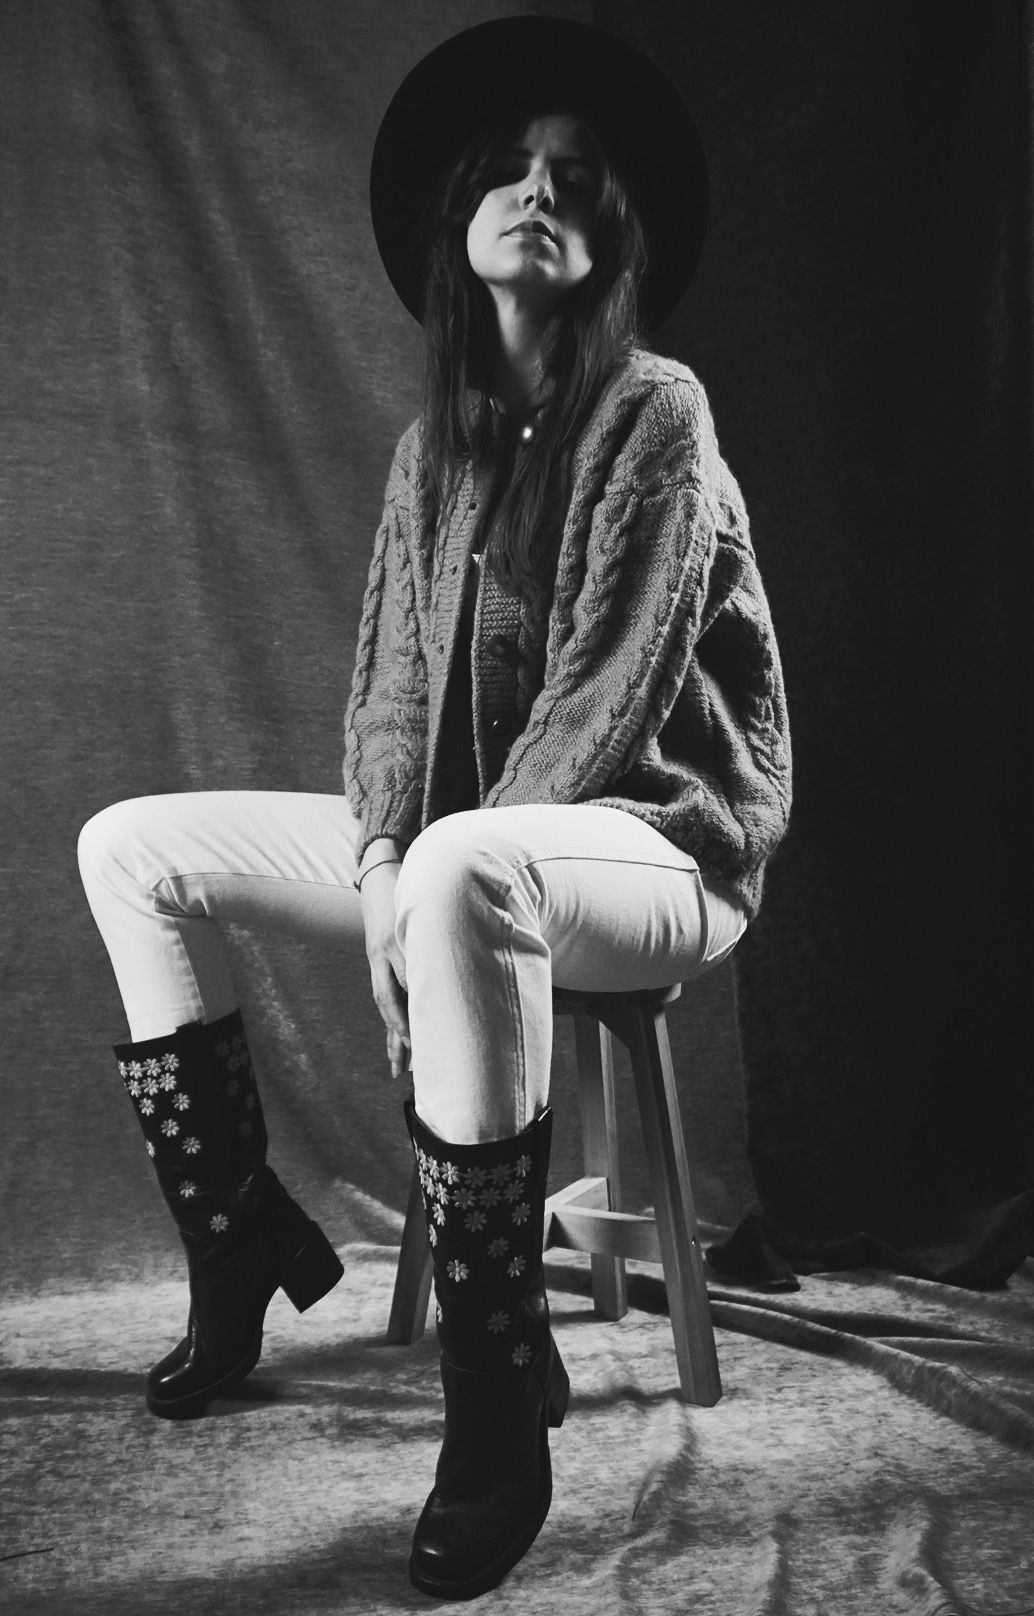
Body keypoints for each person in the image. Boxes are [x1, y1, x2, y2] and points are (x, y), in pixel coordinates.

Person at [76, 15, 792, 1602]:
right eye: (510, 171)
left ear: (609, 237)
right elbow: (388, 698)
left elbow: (607, 696)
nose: (539, 190)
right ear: (457, 216)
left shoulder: (657, 411)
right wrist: (386, 857)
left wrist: (424, 888)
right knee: (130, 846)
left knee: (467, 860)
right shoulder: (432, 455)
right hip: (479, 864)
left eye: (574, 177)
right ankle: (238, 1242)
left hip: (661, 852)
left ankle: (493, 1394)